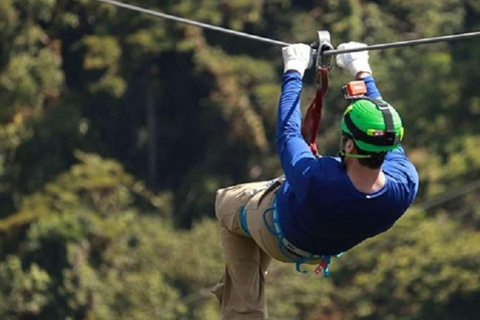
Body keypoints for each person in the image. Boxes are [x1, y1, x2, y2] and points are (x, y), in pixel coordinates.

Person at [211, 42, 419, 320]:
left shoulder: (316, 179)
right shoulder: (404, 184)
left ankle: (245, 313)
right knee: (268, 207)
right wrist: (361, 71)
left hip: (279, 233)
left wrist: (293, 70)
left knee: (225, 202)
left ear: (348, 145)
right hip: (321, 246)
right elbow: (384, 128)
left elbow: (288, 132)